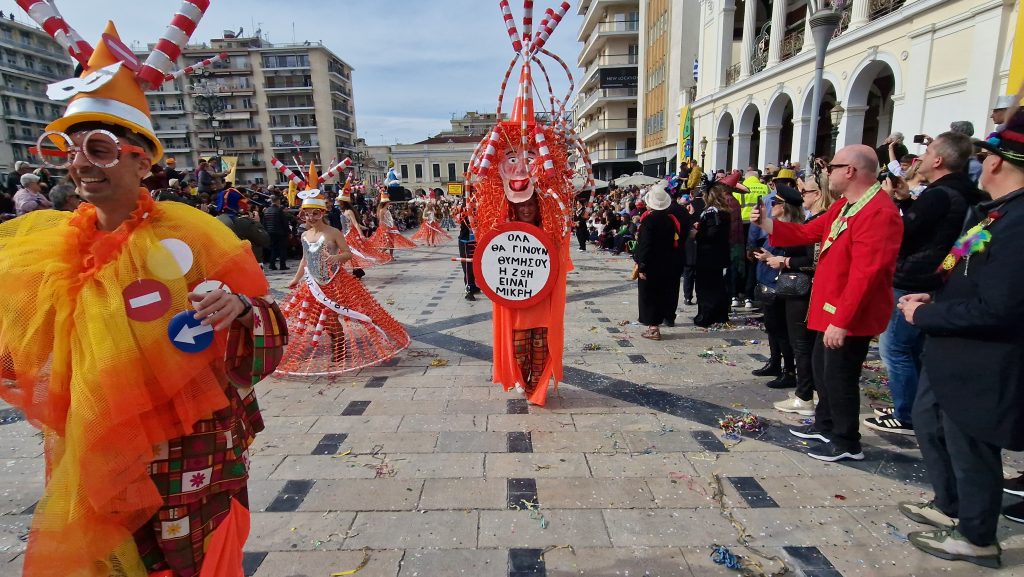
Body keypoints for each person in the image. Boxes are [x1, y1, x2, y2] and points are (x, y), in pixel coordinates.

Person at [0, 17, 286, 576]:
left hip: (189, 457)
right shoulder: (47, 248)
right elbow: (22, 353)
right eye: (70, 148)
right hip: (99, 450)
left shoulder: (193, 237)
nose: (81, 164)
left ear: (142, 158)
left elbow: (266, 329)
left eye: (100, 148)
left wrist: (241, 310)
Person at [895, 111, 1024, 570]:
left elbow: (1001, 307)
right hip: (947, 347)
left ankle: (977, 535)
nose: (981, 163)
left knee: (972, 449)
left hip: (979, 358)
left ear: (996, 163)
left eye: (986, 156)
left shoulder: (1018, 222)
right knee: (931, 426)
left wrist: (928, 312)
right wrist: (932, 290)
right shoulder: (990, 213)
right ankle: (947, 503)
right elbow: (957, 262)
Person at [753, 144, 902, 462]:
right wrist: (767, 224)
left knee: (839, 375)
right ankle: (825, 424)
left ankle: (847, 441)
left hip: (850, 314)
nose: (825, 172)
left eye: (832, 166)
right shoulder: (847, 205)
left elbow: (867, 274)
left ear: (850, 171)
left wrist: (843, 320)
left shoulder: (878, 211)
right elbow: (808, 232)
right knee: (823, 370)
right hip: (830, 307)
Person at [864, 132, 987, 436]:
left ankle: (907, 414)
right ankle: (919, 408)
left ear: (939, 159)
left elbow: (904, 234)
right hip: (938, 278)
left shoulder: (939, 194)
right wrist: (945, 270)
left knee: (896, 348)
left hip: (914, 279)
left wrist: (893, 204)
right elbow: (963, 244)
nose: (921, 156)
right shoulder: (972, 194)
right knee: (915, 348)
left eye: (928, 150)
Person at [277, 178, 409, 375]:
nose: (311, 217)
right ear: (302, 215)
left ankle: (339, 350)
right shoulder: (305, 235)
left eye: (315, 213)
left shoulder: (334, 232)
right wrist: (296, 279)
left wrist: (336, 257)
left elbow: (348, 253)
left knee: (330, 317)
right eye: (307, 214)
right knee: (316, 319)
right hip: (312, 284)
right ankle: (336, 343)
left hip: (334, 282)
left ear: (323, 213)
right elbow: (305, 259)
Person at [772, 173, 838, 416]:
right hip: (806, 287)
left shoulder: (822, 219)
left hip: (805, 289)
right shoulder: (817, 218)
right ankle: (808, 389)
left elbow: (814, 259)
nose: (802, 197)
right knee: (803, 343)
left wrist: (785, 260)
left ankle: (805, 395)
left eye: (806, 192)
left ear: (818, 194)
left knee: (801, 343)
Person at [751, 185, 806, 388]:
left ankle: (788, 370)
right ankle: (775, 362)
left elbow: (796, 255)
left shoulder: (793, 228)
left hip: (782, 284)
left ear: (785, 207)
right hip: (767, 280)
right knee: (772, 327)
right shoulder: (775, 224)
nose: (771, 205)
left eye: (775, 203)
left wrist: (772, 257)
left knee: (782, 329)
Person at [634, 184, 683, 340]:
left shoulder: (649, 221)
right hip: (667, 263)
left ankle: (653, 327)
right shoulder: (670, 220)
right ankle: (656, 324)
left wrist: (642, 265)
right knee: (661, 293)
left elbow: (646, 245)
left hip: (651, 264)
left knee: (649, 295)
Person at [692, 180, 733, 327]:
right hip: (719, 254)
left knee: (706, 287)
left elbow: (712, 234)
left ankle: (707, 316)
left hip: (709, 255)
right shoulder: (723, 211)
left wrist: (696, 234)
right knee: (717, 285)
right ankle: (720, 314)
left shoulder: (712, 212)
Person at [456, 197, 480, 300]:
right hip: (466, 241)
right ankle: (469, 289)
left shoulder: (477, 208)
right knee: (467, 267)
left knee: (475, 266)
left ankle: (473, 285)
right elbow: (466, 221)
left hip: (476, 240)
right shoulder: (463, 210)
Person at [261, 194, 290, 270]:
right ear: (278, 201)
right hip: (281, 233)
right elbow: (284, 223)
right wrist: (288, 232)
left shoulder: (267, 210)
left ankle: (272, 264)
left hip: (270, 232)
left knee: (274, 248)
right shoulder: (279, 210)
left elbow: (264, 223)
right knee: (282, 249)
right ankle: (282, 265)